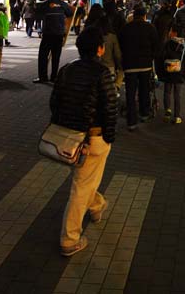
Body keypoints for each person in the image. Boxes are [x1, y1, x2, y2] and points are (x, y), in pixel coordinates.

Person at [51, 27, 118, 256]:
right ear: (100, 49)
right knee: (81, 186)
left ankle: (98, 205)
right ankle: (69, 239)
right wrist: (108, 137)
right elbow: (111, 108)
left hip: (68, 136)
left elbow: (54, 102)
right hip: (93, 138)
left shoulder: (67, 69)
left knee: (85, 179)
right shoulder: (102, 74)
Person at [119, 5, 158, 131]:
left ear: (134, 15)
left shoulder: (126, 28)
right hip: (145, 65)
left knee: (130, 93)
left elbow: (121, 45)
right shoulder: (150, 27)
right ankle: (144, 113)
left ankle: (131, 121)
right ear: (144, 16)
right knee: (144, 90)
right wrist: (151, 57)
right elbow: (155, 45)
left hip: (130, 65)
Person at [35, 0, 73, 84]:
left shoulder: (44, 5)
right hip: (59, 34)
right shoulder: (63, 4)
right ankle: (54, 77)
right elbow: (70, 13)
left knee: (43, 56)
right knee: (56, 56)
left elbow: (38, 15)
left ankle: (43, 77)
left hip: (47, 34)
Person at [156, 23, 185, 123]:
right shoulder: (183, 45)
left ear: (174, 33)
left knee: (167, 92)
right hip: (179, 72)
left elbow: (161, 57)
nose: (169, 32)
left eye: (171, 31)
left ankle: (167, 112)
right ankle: (177, 116)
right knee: (177, 94)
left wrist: (160, 71)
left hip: (168, 70)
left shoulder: (167, 43)